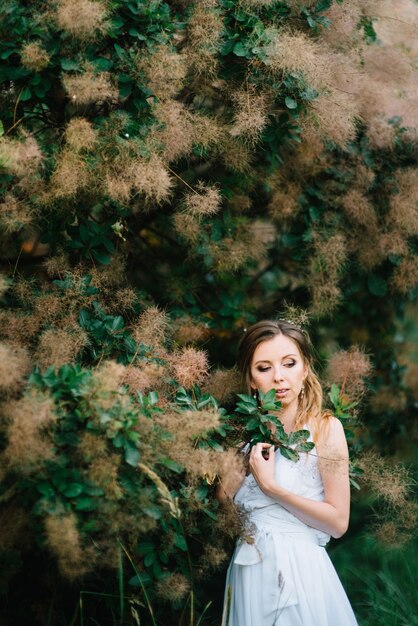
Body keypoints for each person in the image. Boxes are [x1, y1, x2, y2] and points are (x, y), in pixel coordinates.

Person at [220, 319, 358, 626]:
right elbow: (223, 508)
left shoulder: (325, 430)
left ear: (305, 368)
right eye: (264, 367)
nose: (279, 378)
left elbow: (338, 523)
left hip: (301, 571)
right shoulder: (242, 442)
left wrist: (273, 488)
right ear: (252, 379)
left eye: (289, 363)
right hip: (249, 571)